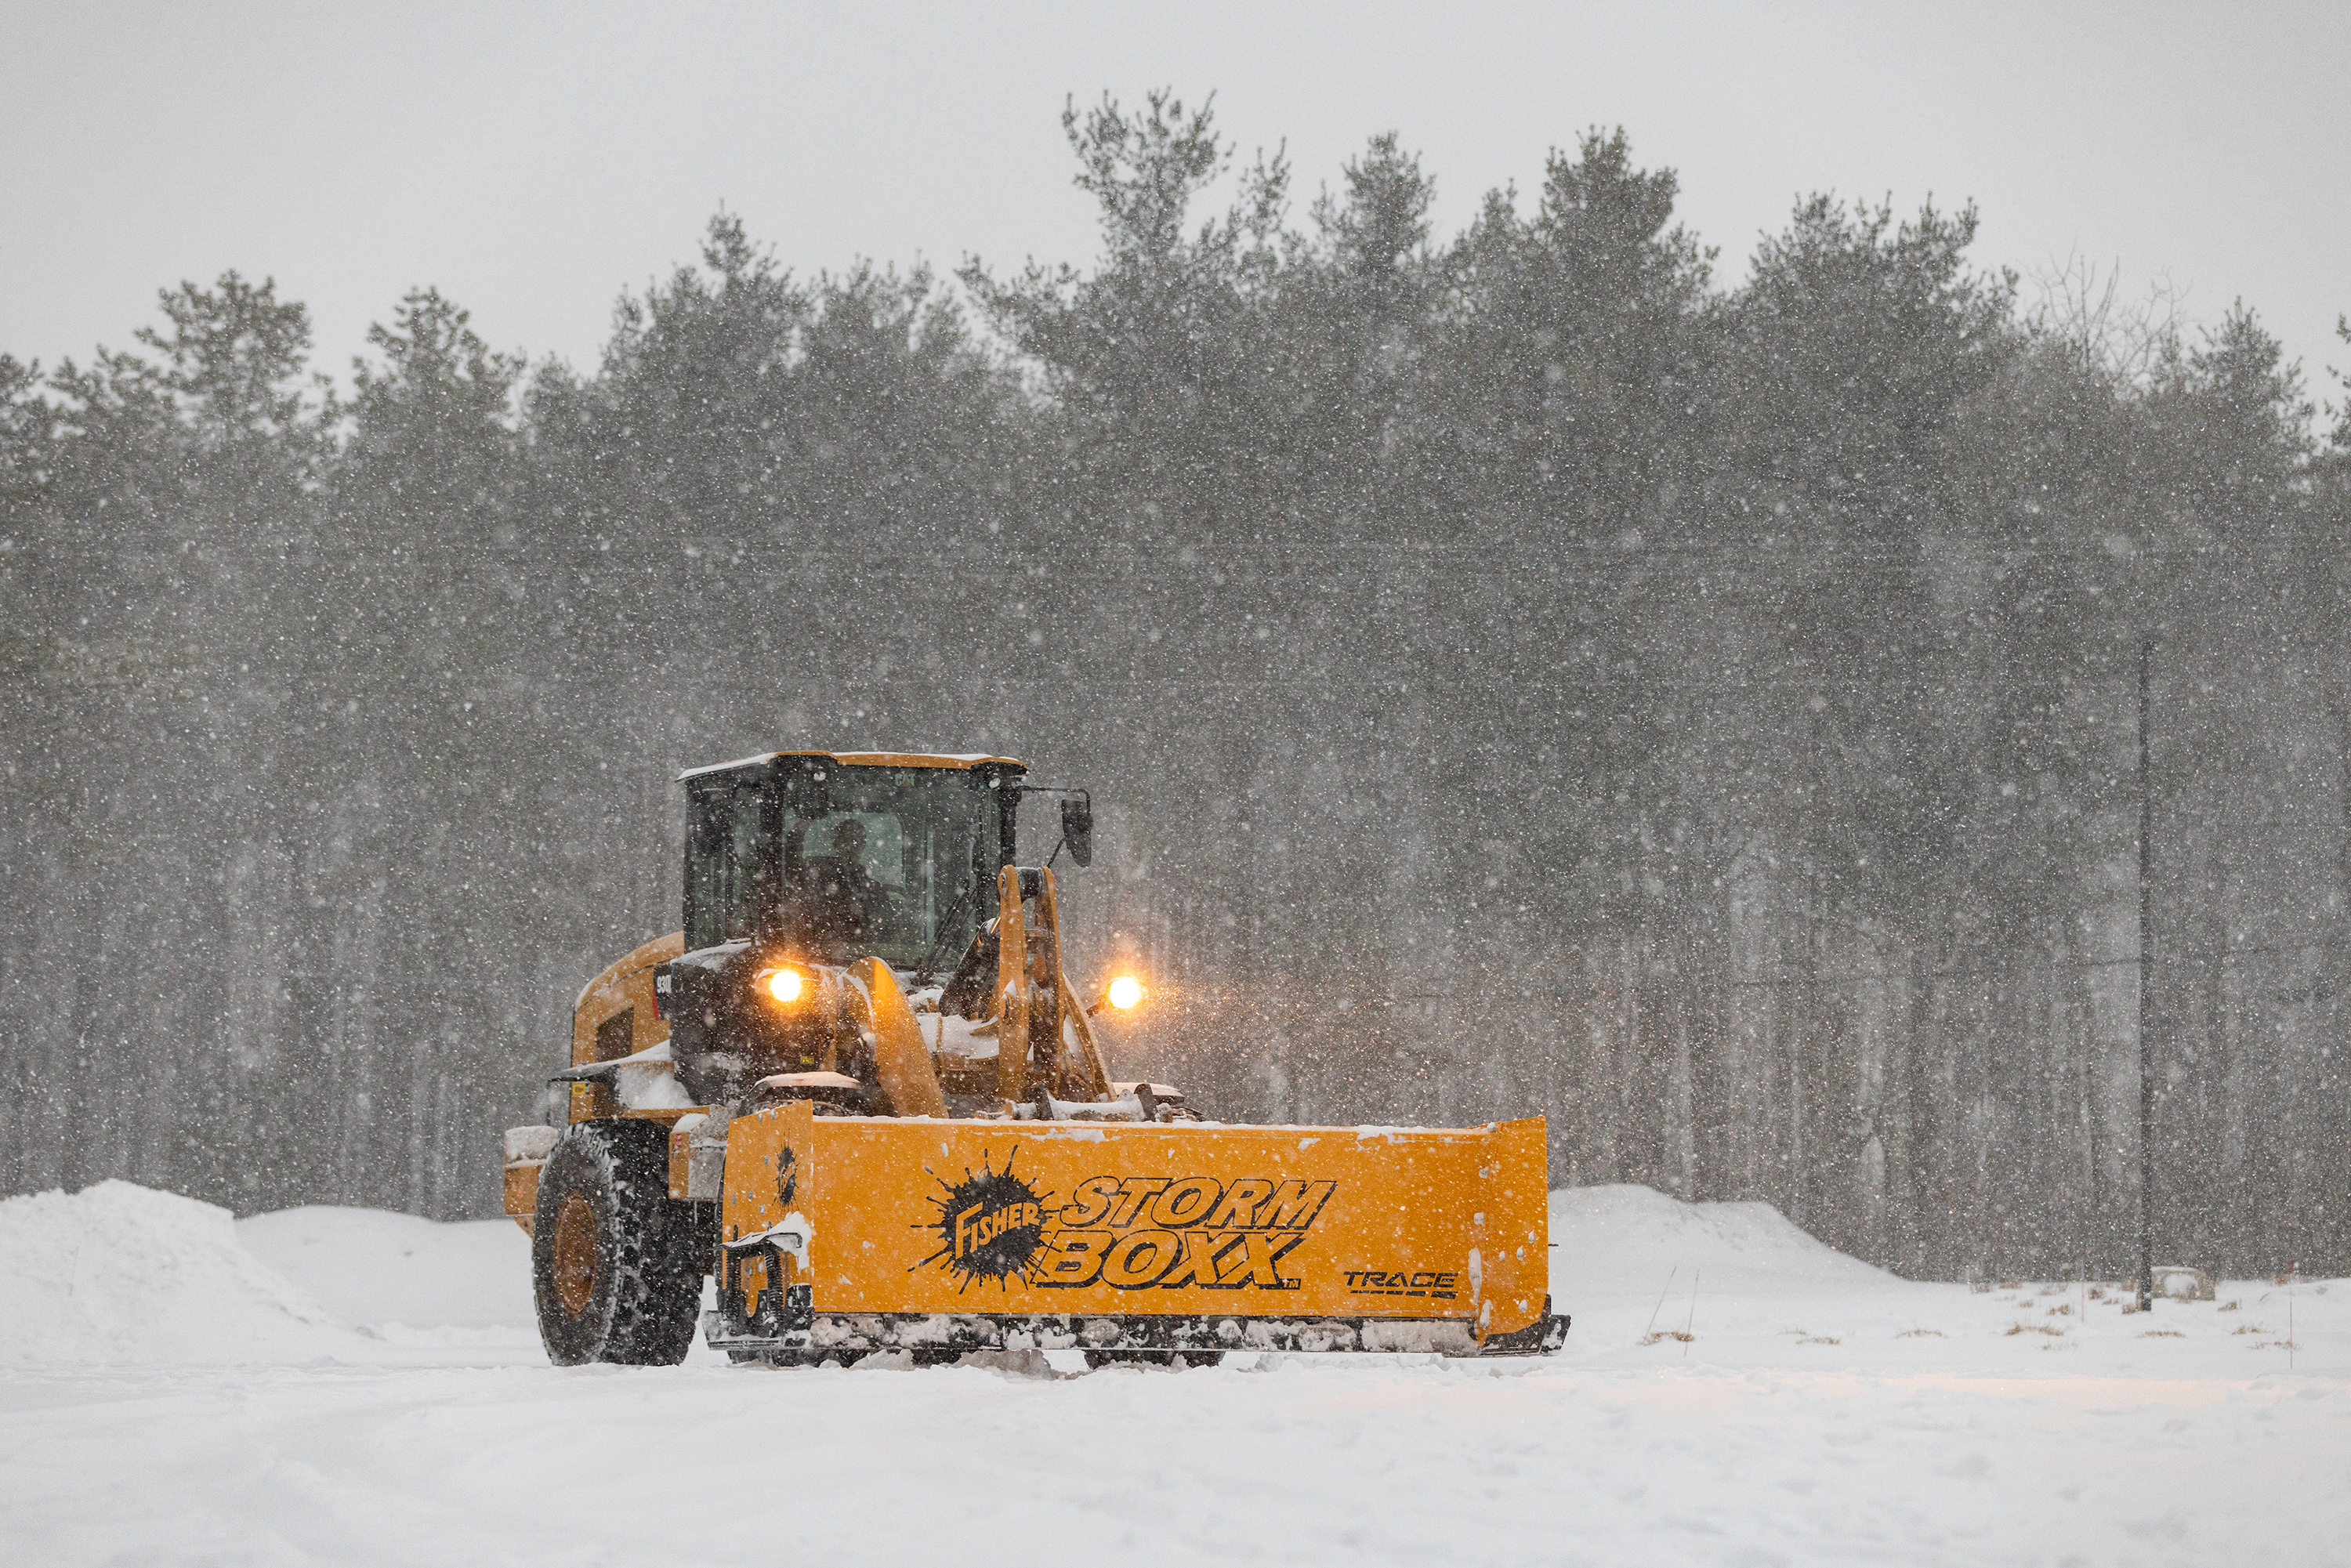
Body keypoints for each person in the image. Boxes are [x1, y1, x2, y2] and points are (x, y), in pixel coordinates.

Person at [811, 817, 892, 945]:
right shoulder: (817, 882)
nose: (852, 847)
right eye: (846, 840)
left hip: (868, 960)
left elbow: (884, 939)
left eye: (858, 841)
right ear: (836, 843)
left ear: (863, 845)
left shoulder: (876, 891)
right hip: (821, 958)